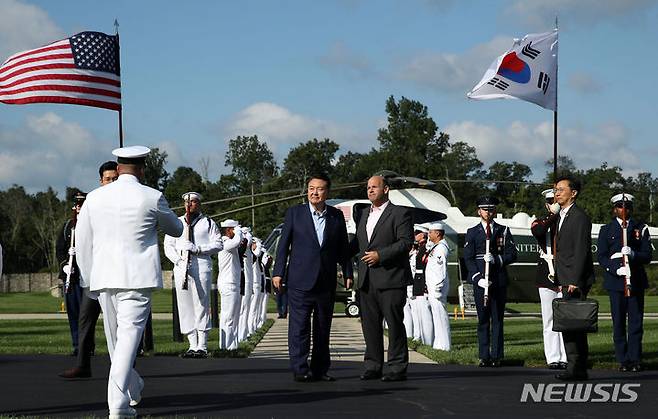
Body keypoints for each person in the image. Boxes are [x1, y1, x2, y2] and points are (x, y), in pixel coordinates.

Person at [75, 145, 183, 418]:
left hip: (103, 280)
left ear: (118, 167)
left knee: (117, 344)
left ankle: (133, 387)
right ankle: (118, 407)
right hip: (136, 279)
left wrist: (89, 278)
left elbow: (83, 242)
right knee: (125, 344)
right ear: (143, 169)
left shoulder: (94, 198)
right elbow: (177, 229)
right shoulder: (152, 196)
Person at [272, 173, 353, 382]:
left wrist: (348, 272)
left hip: (325, 281)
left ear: (327, 192)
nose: (314, 192)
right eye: (311, 188)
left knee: (322, 327)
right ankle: (300, 369)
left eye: (319, 189)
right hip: (300, 280)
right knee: (299, 328)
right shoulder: (295, 213)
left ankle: (320, 369)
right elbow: (283, 246)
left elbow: (342, 247)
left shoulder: (336, 216)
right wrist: (278, 272)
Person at [349, 174, 414, 382]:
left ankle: (396, 367)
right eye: (368, 187)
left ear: (385, 189)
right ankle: (373, 365)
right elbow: (359, 245)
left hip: (391, 278)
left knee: (394, 324)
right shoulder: (363, 214)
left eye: (374, 187)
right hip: (367, 280)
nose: (369, 190)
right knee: (370, 325)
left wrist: (381, 255)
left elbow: (405, 243)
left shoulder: (400, 213)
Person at [59, 161, 118, 379]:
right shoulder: (93, 203)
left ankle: (122, 368)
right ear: (101, 181)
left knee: (118, 326)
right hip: (93, 275)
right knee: (85, 321)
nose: (112, 183)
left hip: (116, 274)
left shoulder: (123, 204)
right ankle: (83, 364)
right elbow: (82, 241)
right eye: (108, 179)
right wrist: (86, 273)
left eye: (115, 179)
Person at [164, 192, 222, 358]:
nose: (189, 205)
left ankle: (202, 345)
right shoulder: (177, 222)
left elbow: (218, 244)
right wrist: (178, 260)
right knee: (185, 306)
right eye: (187, 202)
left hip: (201, 265)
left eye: (193, 202)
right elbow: (168, 245)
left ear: (199, 203)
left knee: (201, 304)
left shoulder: (207, 222)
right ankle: (192, 344)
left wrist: (199, 249)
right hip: (181, 266)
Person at [597, 193, 651, 372]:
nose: (624, 209)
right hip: (615, 282)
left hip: (635, 281)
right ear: (615, 209)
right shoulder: (606, 230)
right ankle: (623, 360)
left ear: (631, 209)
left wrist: (635, 255)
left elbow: (648, 256)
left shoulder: (640, 228)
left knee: (635, 323)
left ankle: (635, 359)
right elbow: (602, 257)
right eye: (620, 206)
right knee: (618, 322)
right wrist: (615, 268)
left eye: (627, 206)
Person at [463, 196, 517, 367]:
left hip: (498, 281)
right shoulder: (472, 232)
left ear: (495, 211)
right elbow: (468, 258)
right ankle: (484, 355)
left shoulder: (503, 230)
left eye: (491, 209)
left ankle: (497, 356)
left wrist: (497, 259)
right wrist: (477, 278)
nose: (488, 212)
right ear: (479, 211)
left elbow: (512, 254)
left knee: (497, 319)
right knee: (483, 319)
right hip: (481, 282)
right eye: (484, 209)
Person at [553, 175, 595, 381]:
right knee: (569, 325)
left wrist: (574, 280)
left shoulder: (578, 217)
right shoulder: (562, 215)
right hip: (564, 277)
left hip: (573, 280)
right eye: (555, 190)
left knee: (574, 326)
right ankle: (577, 367)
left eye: (561, 189)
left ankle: (576, 368)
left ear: (574, 193)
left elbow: (581, 251)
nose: (557, 193)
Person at [530, 188, 567, 370]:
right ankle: (553, 357)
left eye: (557, 201)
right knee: (550, 318)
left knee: (565, 318)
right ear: (547, 204)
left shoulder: (567, 222)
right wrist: (553, 215)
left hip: (565, 274)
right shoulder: (540, 221)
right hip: (546, 274)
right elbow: (539, 231)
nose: (555, 204)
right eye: (551, 201)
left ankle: (566, 356)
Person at [55, 191, 87, 357]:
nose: (79, 208)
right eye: (77, 205)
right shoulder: (68, 226)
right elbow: (59, 249)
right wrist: (65, 265)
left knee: (86, 314)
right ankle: (77, 345)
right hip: (71, 275)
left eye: (82, 205)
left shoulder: (90, 225)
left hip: (86, 275)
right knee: (73, 312)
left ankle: (87, 346)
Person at [217, 219, 244, 350]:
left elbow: (241, 245)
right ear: (229, 230)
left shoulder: (229, 243)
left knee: (230, 316)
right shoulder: (225, 242)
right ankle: (226, 347)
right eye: (234, 229)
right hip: (229, 284)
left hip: (231, 283)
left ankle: (230, 346)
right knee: (228, 317)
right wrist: (239, 232)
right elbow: (237, 241)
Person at [425, 222, 451, 351]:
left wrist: (438, 286)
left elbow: (441, 269)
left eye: (431, 232)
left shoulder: (441, 248)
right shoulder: (436, 246)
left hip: (437, 287)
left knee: (441, 315)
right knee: (436, 315)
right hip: (433, 285)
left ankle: (445, 345)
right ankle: (439, 343)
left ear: (438, 233)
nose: (429, 234)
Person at [408, 225, 433, 345]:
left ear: (423, 234)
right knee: (417, 312)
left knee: (423, 312)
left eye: (417, 233)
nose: (414, 236)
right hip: (416, 283)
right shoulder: (419, 249)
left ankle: (426, 338)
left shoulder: (426, 249)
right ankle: (419, 335)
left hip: (421, 282)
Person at [238, 226, 254, 341]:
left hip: (246, 279)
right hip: (244, 279)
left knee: (245, 309)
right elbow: (248, 241)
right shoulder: (240, 244)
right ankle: (242, 335)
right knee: (243, 309)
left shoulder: (242, 245)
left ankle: (243, 334)